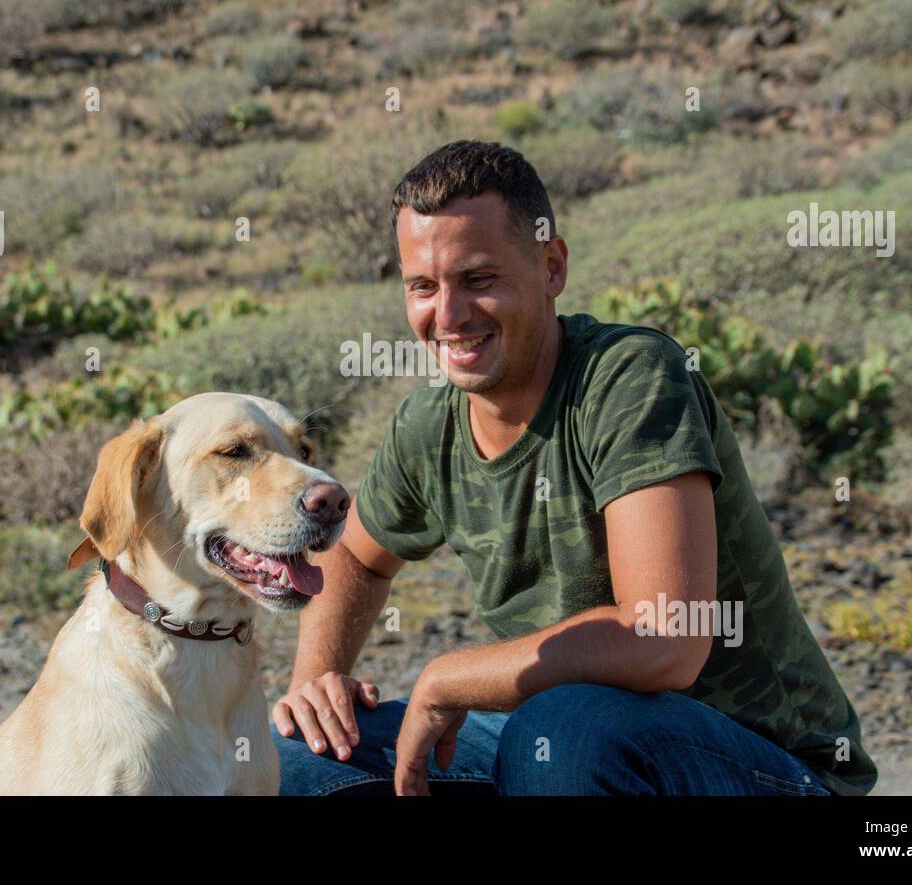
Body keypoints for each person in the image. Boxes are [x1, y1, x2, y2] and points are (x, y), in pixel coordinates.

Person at [270, 140, 878, 796]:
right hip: (562, 753)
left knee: (566, 727)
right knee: (298, 754)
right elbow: (355, 555)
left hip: (765, 765)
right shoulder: (429, 426)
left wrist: (448, 676)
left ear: (551, 267)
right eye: (424, 287)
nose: (447, 316)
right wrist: (315, 682)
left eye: (478, 280)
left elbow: (663, 639)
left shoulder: (628, 378)